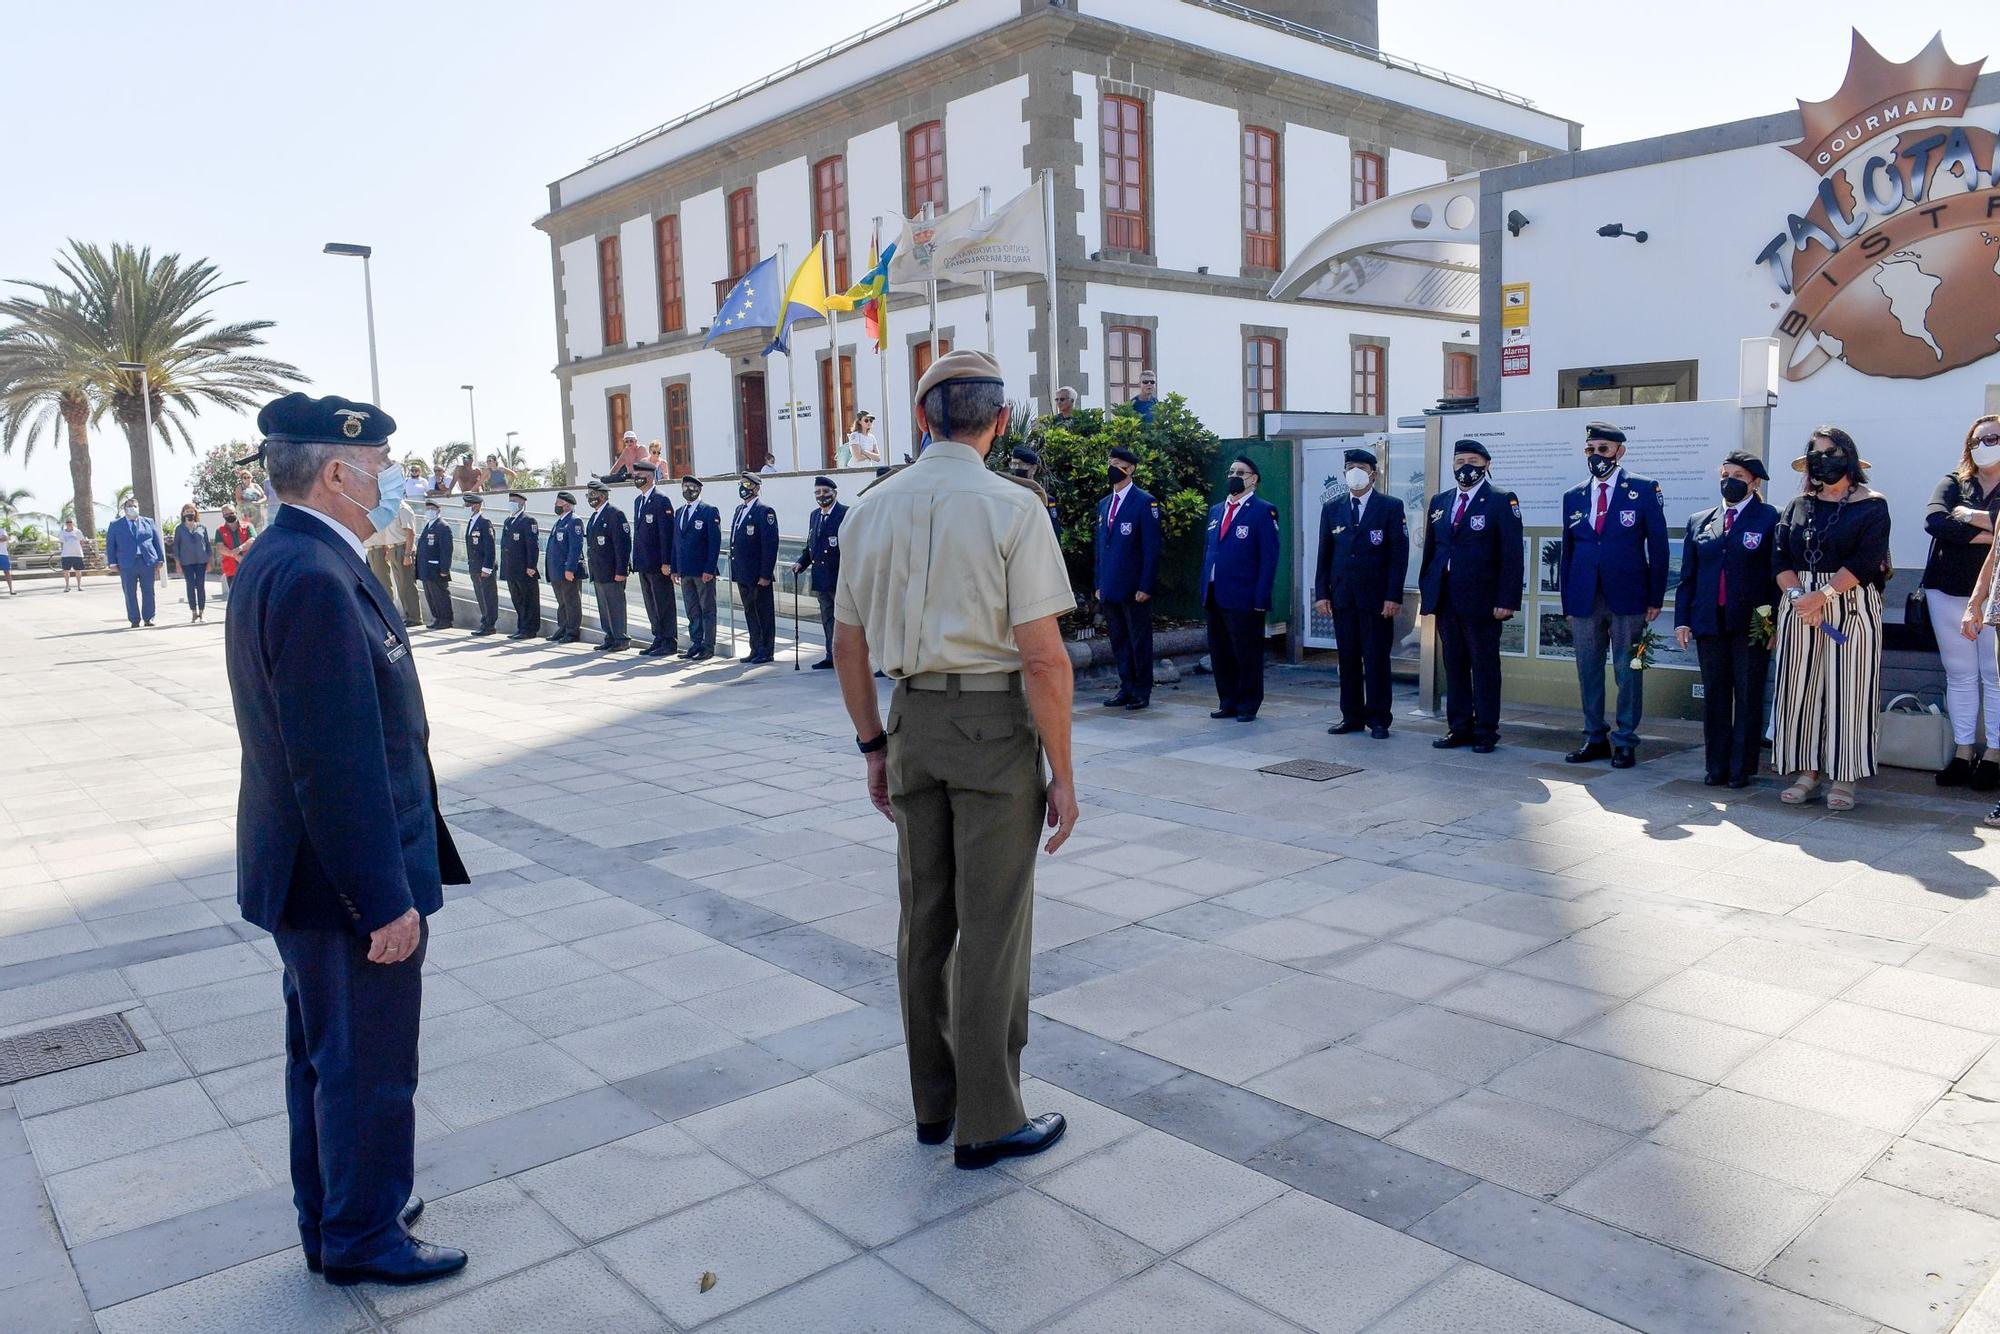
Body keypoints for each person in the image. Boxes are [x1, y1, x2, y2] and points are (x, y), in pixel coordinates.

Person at [223, 391, 467, 1288]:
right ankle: (363, 1236)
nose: (390, 483)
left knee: (326, 1061)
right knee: (365, 1067)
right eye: (377, 470)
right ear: (334, 472)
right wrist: (384, 899)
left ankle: (342, 1211)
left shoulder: (287, 556)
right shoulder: (317, 578)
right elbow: (337, 763)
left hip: (310, 875)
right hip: (342, 886)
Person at [830, 348, 1077, 1169]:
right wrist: (1064, 773)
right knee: (995, 923)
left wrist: (874, 743)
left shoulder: (869, 509)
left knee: (924, 922)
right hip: (992, 726)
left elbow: (848, 645)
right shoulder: (1013, 508)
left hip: (911, 721)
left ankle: (933, 1106)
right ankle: (991, 1118)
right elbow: (1043, 659)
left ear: (921, 418)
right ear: (1000, 422)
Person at [1772, 427, 1891, 810]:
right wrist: (1797, 597)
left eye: (1831, 452)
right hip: (1800, 605)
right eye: (1815, 454)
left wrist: (1822, 595)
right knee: (1800, 689)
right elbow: (1779, 558)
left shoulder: (1872, 505)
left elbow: (1865, 560)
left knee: (1850, 690)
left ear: (1850, 458)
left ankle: (1845, 775)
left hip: (1850, 605)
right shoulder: (1797, 505)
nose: (1823, 460)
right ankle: (1808, 771)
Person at [1560, 423, 1669, 769]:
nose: (1596, 456)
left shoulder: (1643, 489)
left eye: (1603, 449)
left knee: (1627, 670)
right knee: (1587, 669)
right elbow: (1568, 551)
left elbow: (1660, 547)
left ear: (1620, 451)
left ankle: (1625, 740)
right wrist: (1567, 601)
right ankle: (1594, 736)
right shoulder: (1574, 495)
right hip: (1585, 598)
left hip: (1628, 596)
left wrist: (1655, 596)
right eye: (1590, 450)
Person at [1674, 452, 1780, 788]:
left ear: (1754, 482)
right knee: (1716, 694)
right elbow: (1687, 577)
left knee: (1748, 695)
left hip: (1752, 623)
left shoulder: (1770, 518)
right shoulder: (1701, 520)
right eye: (1726, 473)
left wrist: (1774, 622)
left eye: (1738, 475)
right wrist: (1682, 620)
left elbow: (1777, 574)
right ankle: (1716, 764)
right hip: (1709, 621)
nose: (1730, 480)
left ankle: (1742, 766)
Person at [1419, 440, 1525, 753]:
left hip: (1483, 600)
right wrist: (1428, 589)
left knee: (1484, 665)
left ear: (1486, 464)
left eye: (1473, 459)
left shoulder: (1501, 500)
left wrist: (1507, 600)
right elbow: (1432, 549)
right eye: (1459, 459)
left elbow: (1512, 554)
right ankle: (1459, 727)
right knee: (1454, 664)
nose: (1465, 465)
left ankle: (1486, 730)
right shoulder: (1440, 501)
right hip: (1447, 597)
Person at [1922, 414, 2000, 789]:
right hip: (1947, 589)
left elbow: (1954, 524)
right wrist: (1994, 531)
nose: (1983, 445)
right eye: (1976, 440)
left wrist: (1969, 517)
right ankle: (1963, 751)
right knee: (1961, 674)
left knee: (1995, 674)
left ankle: (1995, 755)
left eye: (1992, 438)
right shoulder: (1953, 482)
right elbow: (1936, 521)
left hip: (1994, 593)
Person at [1314, 446, 1408, 739]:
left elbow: (1398, 556)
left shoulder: (1391, 507)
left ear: (1374, 474)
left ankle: (1379, 719)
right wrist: (1322, 594)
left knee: (1376, 658)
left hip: (1377, 599)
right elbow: (1324, 555)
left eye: (1361, 467)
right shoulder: (1332, 508)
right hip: (1343, 597)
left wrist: (1393, 596)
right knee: (1348, 658)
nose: (1354, 472)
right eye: (1350, 467)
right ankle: (1351, 716)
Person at [1200, 456, 1281, 722]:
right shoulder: (1216, 510)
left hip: (1245, 596)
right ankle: (1228, 701)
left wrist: (1262, 596)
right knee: (1220, 651)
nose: (1234, 475)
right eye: (1231, 470)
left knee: (1246, 653)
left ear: (1253, 479)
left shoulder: (1263, 511)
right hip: (1215, 593)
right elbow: (1210, 551)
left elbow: (1269, 558)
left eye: (1241, 472)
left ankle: (1248, 704)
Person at [1095, 446, 1163, 710]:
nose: (1113, 467)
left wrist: (1146, 585)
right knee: (1119, 640)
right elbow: (1100, 548)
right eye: (1110, 461)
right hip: (1110, 586)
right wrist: (1098, 584)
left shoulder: (1146, 502)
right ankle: (1125, 686)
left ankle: (1141, 690)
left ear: (1131, 468)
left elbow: (1151, 548)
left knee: (1139, 640)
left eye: (1119, 463)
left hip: (1134, 587)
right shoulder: (1104, 504)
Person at [792, 476, 846, 669]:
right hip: (821, 577)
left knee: (844, 620)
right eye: (817, 493)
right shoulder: (815, 515)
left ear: (834, 493)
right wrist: (801, 563)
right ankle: (831, 655)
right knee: (827, 618)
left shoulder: (845, 514)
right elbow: (811, 546)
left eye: (825, 492)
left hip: (840, 577)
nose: (821, 496)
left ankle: (845, 656)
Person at [629, 461, 678, 657]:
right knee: (651, 603)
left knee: (663, 602)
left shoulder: (661, 500)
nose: (635, 478)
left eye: (638, 474)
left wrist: (667, 562)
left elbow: (666, 534)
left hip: (659, 563)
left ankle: (669, 641)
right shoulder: (638, 501)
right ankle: (658, 637)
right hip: (644, 562)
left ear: (649, 476)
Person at [731, 473, 780, 663]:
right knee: (750, 611)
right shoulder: (739, 509)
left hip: (758, 574)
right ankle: (755, 647)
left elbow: (770, 545)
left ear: (756, 487)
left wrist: (765, 574)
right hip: (743, 572)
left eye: (747, 484)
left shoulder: (764, 511)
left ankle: (766, 650)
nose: (743, 487)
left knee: (763, 612)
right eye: (741, 483)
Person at [362, 480, 422, 628]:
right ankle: (408, 616)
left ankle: (414, 616)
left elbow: (411, 533)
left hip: (402, 548)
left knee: (407, 584)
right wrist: (389, 549)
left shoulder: (403, 509)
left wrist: (408, 554)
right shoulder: (393, 509)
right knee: (400, 585)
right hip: (393, 548)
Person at [674, 475, 721, 660]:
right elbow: (676, 542)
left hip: (703, 571)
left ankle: (708, 646)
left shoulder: (709, 511)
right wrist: (675, 568)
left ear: (699, 489)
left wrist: (709, 568)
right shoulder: (679, 512)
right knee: (692, 609)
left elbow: (714, 543)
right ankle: (696, 642)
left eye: (692, 487)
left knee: (707, 609)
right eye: (685, 486)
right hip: (685, 570)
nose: (688, 490)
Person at [582, 478, 632, 651]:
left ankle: (621, 638)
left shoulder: (615, 514)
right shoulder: (595, 516)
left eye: (592, 495)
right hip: (599, 570)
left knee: (615, 605)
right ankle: (610, 636)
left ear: (602, 496)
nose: (590, 498)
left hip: (612, 570)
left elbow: (623, 545)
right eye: (588, 495)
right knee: (604, 606)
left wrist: (621, 570)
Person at [105, 498, 164, 628]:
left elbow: (156, 541)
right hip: (127, 563)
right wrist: (112, 563)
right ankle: (134, 619)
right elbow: (111, 545)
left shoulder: (148, 522)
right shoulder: (115, 525)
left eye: (135, 506)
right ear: (125, 509)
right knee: (129, 592)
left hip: (146, 561)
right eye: (130, 506)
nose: (133, 508)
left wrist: (160, 559)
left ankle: (149, 618)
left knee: (148, 591)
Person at [544, 490, 585, 643]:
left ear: (567, 505)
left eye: (558, 503)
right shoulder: (559, 521)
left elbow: (575, 548)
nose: (555, 505)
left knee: (572, 601)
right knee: (562, 602)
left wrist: (570, 568)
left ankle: (572, 632)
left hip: (566, 571)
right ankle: (562, 628)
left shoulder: (574, 521)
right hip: (556, 571)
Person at [500, 490, 541, 640]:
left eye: (514, 500)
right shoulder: (508, 521)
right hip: (511, 569)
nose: (511, 503)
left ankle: (530, 629)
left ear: (522, 502)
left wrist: (531, 565)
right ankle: (521, 627)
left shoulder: (528, 520)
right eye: (510, 500)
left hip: (524, 569)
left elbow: (532, 546)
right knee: (517, 599)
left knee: (528, 599)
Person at [414, 498, 455, 630]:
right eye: (428, 509)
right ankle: (437, 617)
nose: (429, 511)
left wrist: (445, 568)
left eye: (432, 509)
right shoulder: (429, 525)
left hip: (436, 567)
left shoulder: (443, 526)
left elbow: (446, 550)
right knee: (430, 595)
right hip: (426, 568)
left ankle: (445, 619)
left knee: (440, 595)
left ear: (438, 510)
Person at [462, 495, 499, 635]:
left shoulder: (485, 523)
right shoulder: (471, 522)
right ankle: (485, 621)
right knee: (481, 596)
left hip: (484, 568)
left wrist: (487, 568)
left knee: (488, 596)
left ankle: (490, 624)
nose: (465, 508)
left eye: (467, 505)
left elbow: (490, 548)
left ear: (476, 506)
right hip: (475, 567)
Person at [1009, 447, 1062, 538]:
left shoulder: (1044, 499)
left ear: (1033, 468)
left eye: (1021, 465)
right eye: (1014, 464)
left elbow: (1054, 534)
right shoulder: (1006, 496)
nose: (1016, 469)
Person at [173, 504, 212, 622]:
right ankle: (193, 612)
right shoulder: (179, 529)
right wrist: (177, 563)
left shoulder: (202, 527)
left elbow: (207, 544)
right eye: (187, 511)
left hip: (201, 561)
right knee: (190, 585)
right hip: (186, 562)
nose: (189, 513)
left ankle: (202, 611)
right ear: (183, 514)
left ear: (195, 513)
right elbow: (176, 547)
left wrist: (209, 561)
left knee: (200, 585)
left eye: (191, 511)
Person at [217, 506, 254, 602]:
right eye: (226, 514)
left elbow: (253, 540)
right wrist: (235, 556)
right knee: (235, 598)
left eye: (231, 513)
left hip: (248, 566)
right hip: (231, 569)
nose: (229, 516)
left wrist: (239, 548)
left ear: (236, 512)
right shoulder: (220, 531)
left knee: (250, 595)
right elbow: (220, 547)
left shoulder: (248, 526)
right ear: (223, 516)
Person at [58, 518, 88, 591]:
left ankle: (79, 586)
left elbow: (81, 542)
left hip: (77, 554)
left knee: (78, 570)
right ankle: (67, 586)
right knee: (66, 571)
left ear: (73, 523)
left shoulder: (78, 531)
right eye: (67, 522)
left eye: (70, 522)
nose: (69, 523)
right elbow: (61, 543)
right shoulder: (62, 532)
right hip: (66, 555)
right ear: (65, 523)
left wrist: (79, 549)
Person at [0, 526, 13, 595]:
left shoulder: (2, 530)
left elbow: (5, 538)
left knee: (7, 572)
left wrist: (2, 538)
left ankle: (11, 589)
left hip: (3, 554)